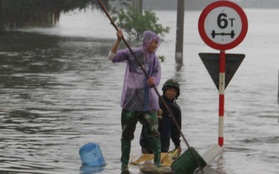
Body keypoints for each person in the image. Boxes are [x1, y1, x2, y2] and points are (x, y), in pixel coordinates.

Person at [107, 29, 162, 172]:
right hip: (131, 101)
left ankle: (157, 163)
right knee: (126, 134)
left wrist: (153, 80)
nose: (156, 46)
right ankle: (124, 165)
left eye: (157, 43)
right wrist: (118, 40)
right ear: (148, 42)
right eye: (154, 43)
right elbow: (111, 57)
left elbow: (157, 74)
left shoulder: (154, 58)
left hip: (148, 102)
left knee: (154, 132)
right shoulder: (133, 53)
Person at [140, 79, 182, 158]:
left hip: (164, 144)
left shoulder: (176, 109)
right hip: (147, 142)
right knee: (147, 164)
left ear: (177, 94)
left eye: (174, 91)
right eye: (169, 90)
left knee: (160, 163)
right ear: (165, 90)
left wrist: (177, 144)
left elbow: (176, 130)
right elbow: (142, 118)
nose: (172, 93)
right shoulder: (155, 102)